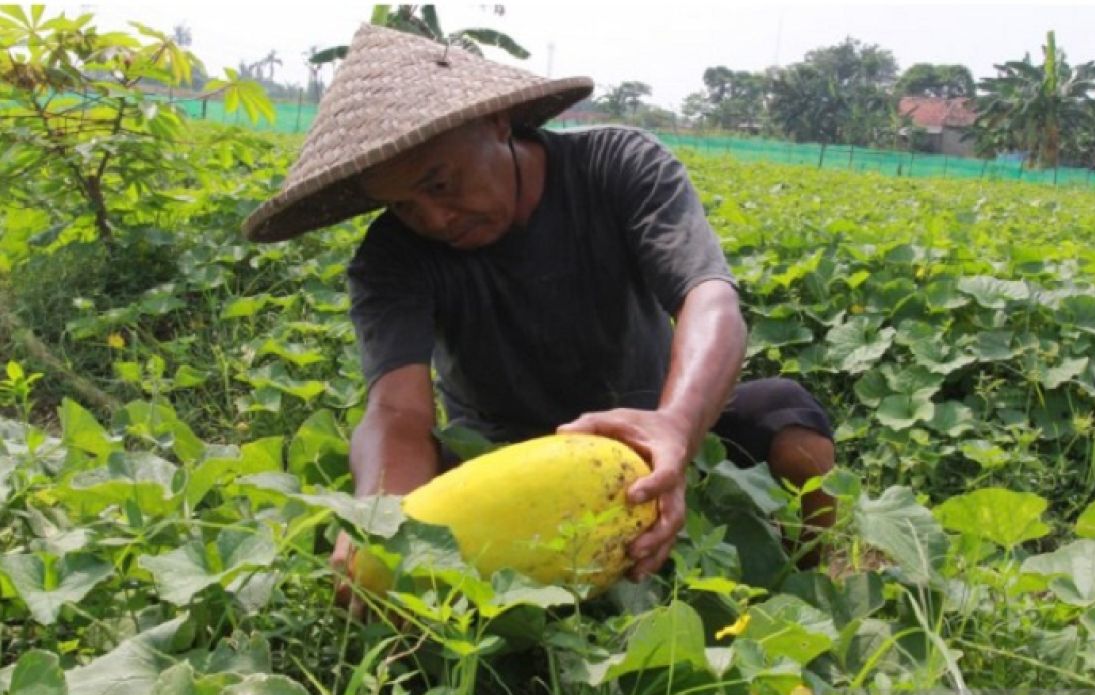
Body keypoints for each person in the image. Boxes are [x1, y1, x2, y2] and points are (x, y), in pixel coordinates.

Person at [243, 24, 835, 594]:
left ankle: (805, 578)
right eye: (403, 205)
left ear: (497, 121)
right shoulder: (391, 258)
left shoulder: (617, 165)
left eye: (441, 185)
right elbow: (396, 409)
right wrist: (381, 520)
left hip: (646, 433)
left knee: (788, 419)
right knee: (414, 528)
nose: (433, 219)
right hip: (504, 458)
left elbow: (709, 300)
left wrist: (676, 426)